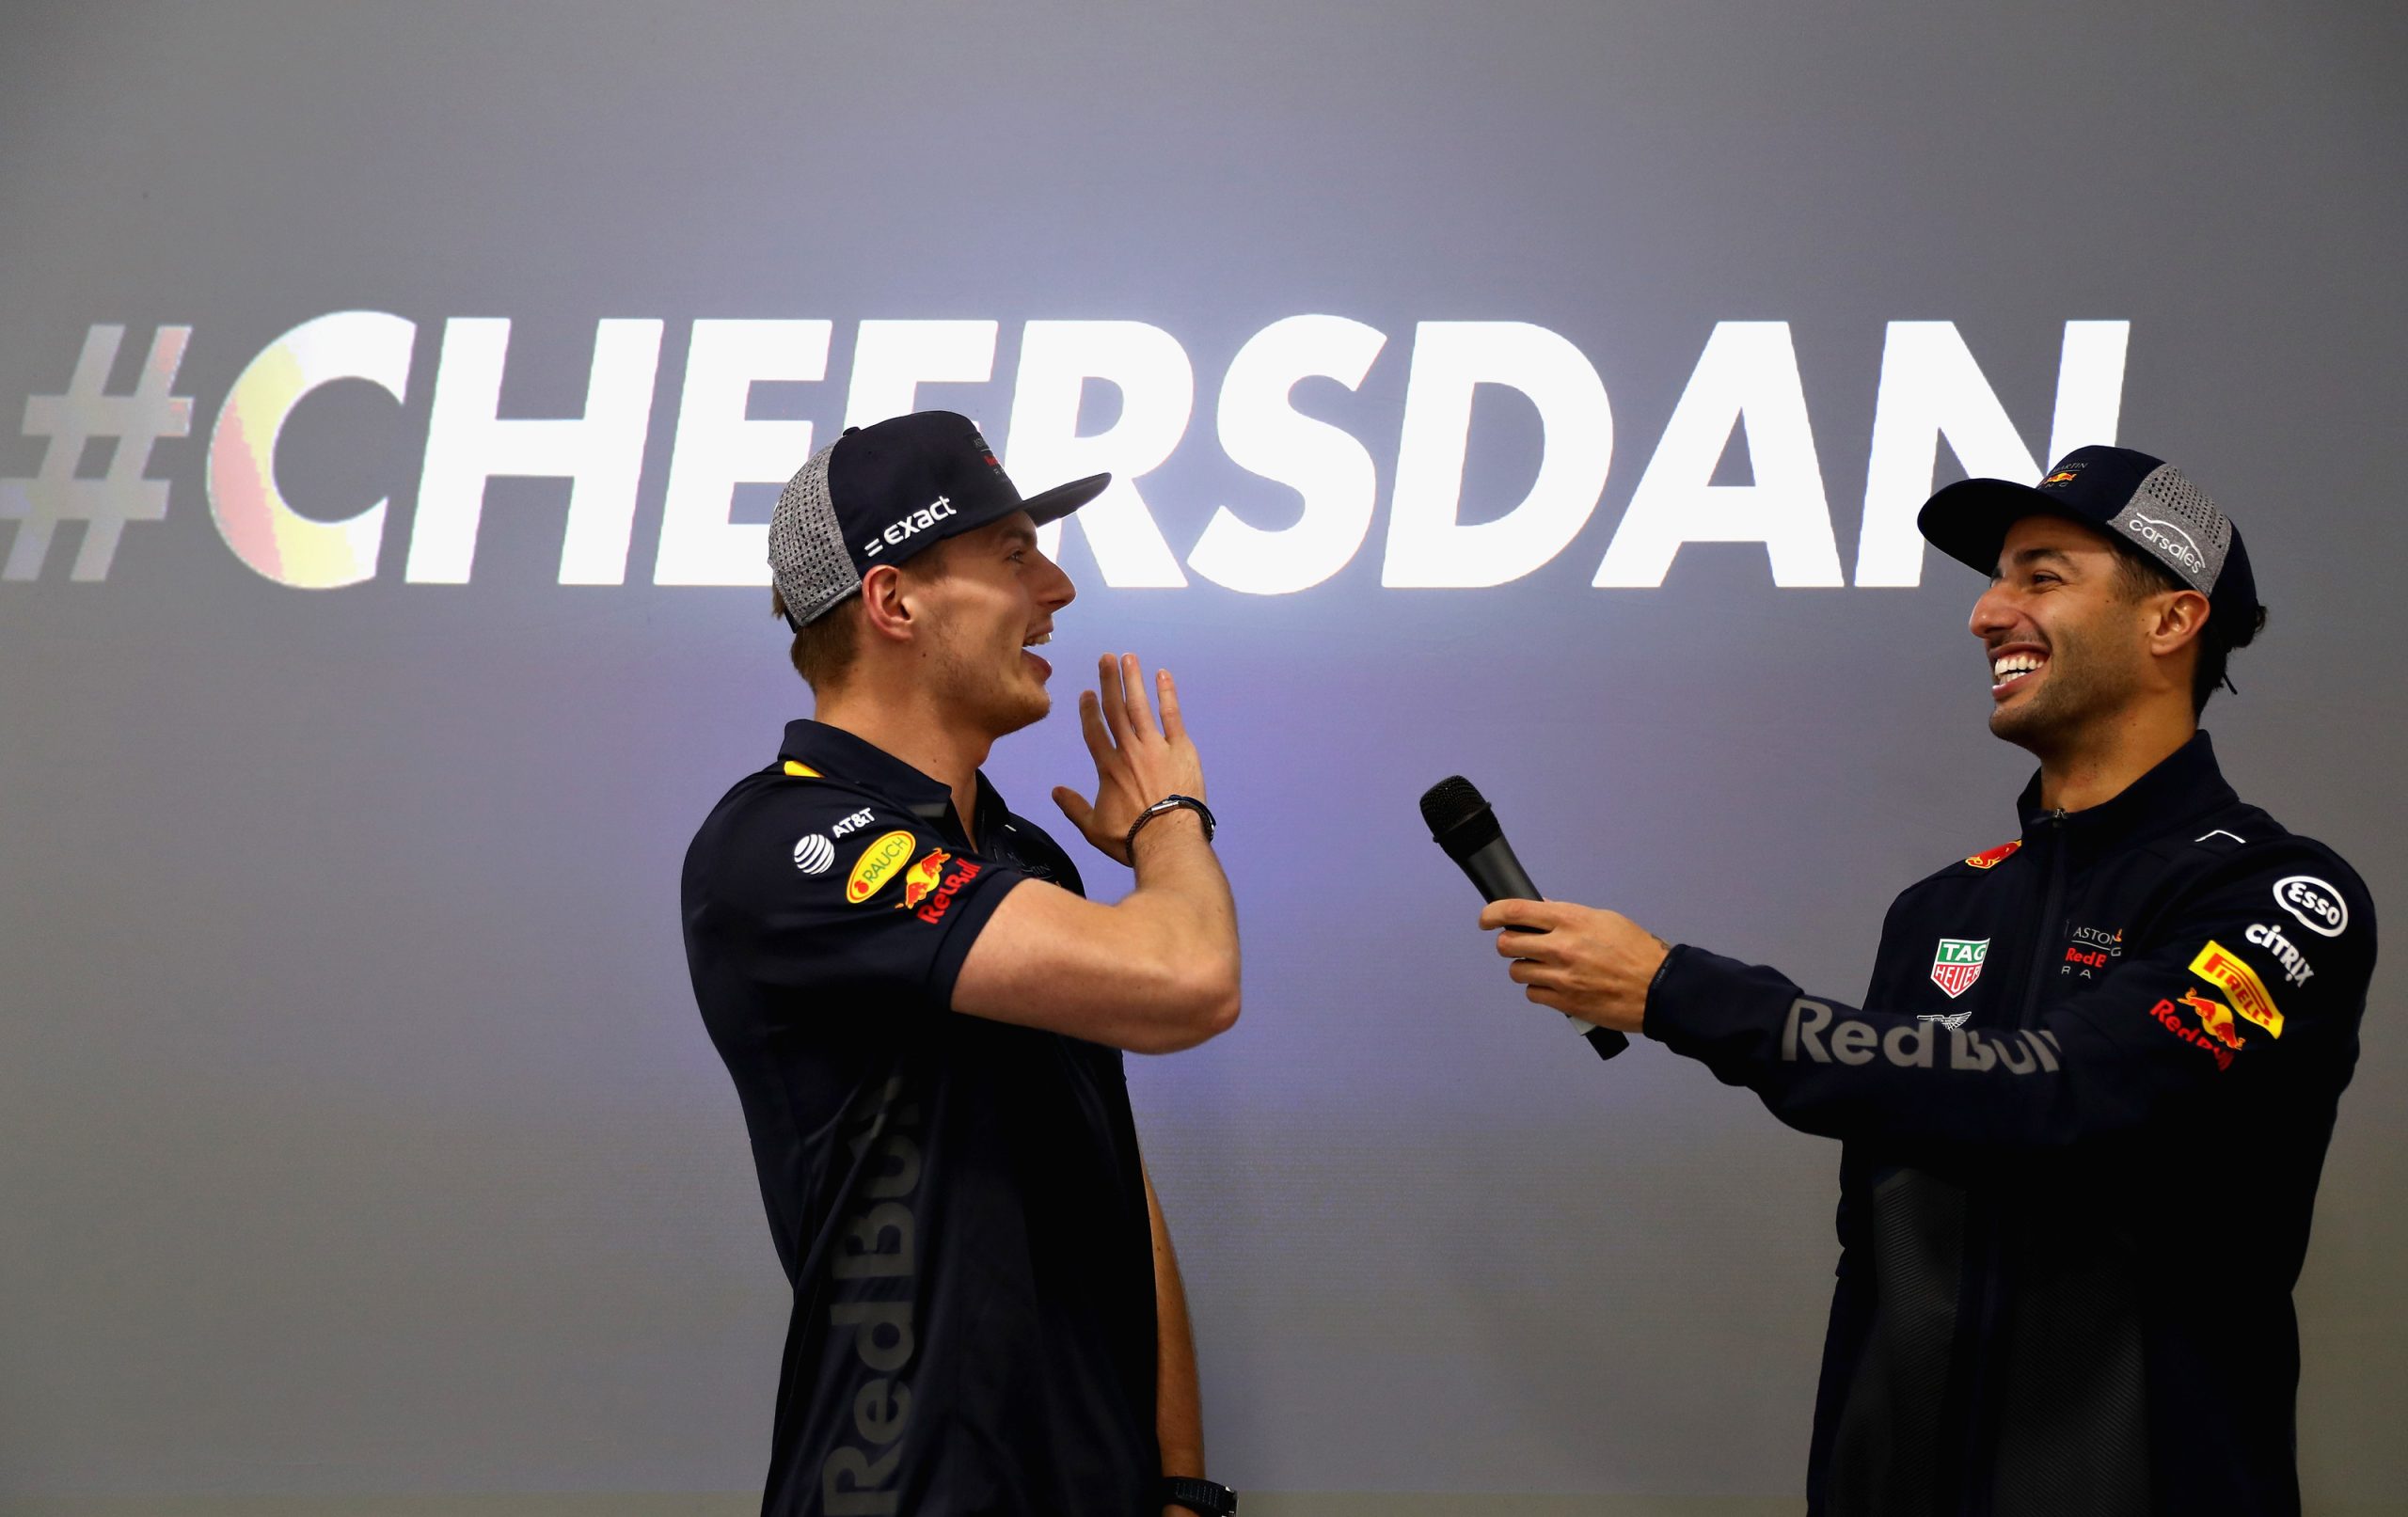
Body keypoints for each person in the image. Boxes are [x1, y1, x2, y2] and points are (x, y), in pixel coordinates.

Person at [1481, 447, 2375, 1515]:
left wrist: (1680, 990)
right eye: (1995, 580)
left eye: (2042, 576)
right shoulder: (1940, 909)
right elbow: (1874, 1250)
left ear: (2172, 620)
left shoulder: (2280, 892)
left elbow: (2063, 1089)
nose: (1987, 614)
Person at [681, 410, 1244, 1517]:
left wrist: (1179, 1479)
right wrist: (1170, 819)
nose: (1057, 590)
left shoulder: (1021, 856)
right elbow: (1189, 980)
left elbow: (1112, 1174)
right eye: (1013, 554)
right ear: (894, 601)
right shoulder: (788, 842)